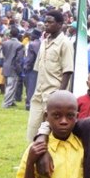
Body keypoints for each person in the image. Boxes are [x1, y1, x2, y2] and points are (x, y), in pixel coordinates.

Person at [26, 10, 74, 141]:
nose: (46, 25)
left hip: (53, 95)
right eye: (45, 22)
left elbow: (68, 71)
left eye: (50, 22)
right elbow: (38, 70)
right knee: (33, 132)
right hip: (39, 95)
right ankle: (32, 160)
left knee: (52, 134)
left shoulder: (65, 43)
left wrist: (59, 97)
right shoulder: (44, 42)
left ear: (59, 24)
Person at [1, 26, 24, 109]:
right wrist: (19, 71)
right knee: (11, 86)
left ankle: (11, 101)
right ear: (18, 35)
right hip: (13, 67)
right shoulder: (20, 45)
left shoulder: (4, 43)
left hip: (5, 65)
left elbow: (4, 54)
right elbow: (18, 59)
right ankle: (6, 104)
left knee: (8, 85)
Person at [24, 29, 42, 110]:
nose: (30, 36)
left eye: (32, 35)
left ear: (35, 35)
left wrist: (26, 67)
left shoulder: (32, 44)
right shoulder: (42, 43)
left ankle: (29, 104)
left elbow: (30, 58)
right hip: (40, 68)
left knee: (30, 87)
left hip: (32, 68)